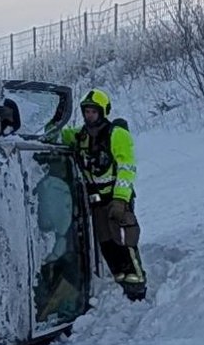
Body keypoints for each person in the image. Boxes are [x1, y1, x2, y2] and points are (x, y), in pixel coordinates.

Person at [61, 88, 147, 301]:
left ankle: (136, 283)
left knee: (125, 241)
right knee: (106, 243)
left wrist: (121, 199)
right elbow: (58, 135)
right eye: (86, 111)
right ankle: (120, 277)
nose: (89, 115)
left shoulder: (117, 135)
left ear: (103, 112)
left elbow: (127, 167)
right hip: (96, 202)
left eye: (93, 111)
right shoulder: (79, 136)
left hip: (116, 199)